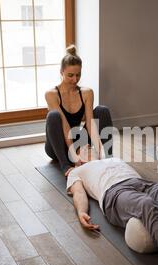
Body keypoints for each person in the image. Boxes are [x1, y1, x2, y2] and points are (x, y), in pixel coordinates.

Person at [44, 44, 113, 176]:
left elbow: (91, 123)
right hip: (57, 146)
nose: (75, 79)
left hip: (77, 140)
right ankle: (64, 165)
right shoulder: (51, 94)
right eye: (70, 75)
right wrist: (73, 156)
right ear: (61, 72)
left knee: (102, 110)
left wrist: (99, 155)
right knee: (53, 116)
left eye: (78, 75)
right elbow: (64, 126)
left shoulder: (87, 93)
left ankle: (110, 158)